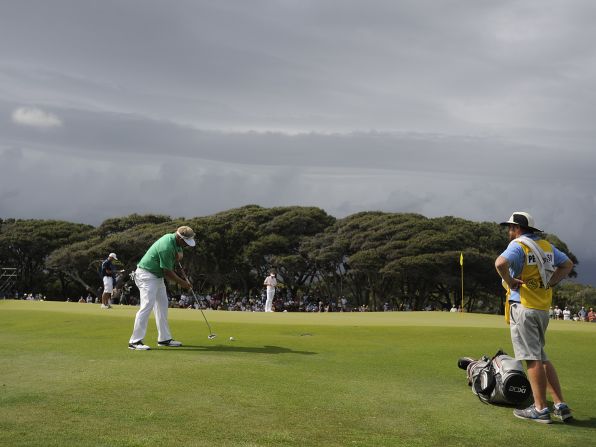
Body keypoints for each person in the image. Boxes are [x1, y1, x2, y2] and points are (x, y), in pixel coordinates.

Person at [495, 212, 574, 424]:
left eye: (511, 228)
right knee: (541, 356)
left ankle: (540, 409)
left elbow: (500, 263)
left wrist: (510, 280)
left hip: (523, 306)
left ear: (518, 229)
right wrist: (551, 282)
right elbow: (567, 265)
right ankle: (560, 404)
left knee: (532, 358)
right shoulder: (547, 246)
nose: (509, 231)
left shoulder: (518, 245)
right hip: (542, 308)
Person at [128, 226, 195, 350]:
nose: (186, 245)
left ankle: (164, 339)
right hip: (146, 275)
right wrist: (183, 283)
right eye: (186, 243)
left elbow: (179, 253)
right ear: (180, 238)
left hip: (156, 276)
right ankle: (134, 341)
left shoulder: (175, 241)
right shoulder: (166, 246)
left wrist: (179, 255)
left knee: (162, 305)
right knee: (147, 305)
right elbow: (167, 272)